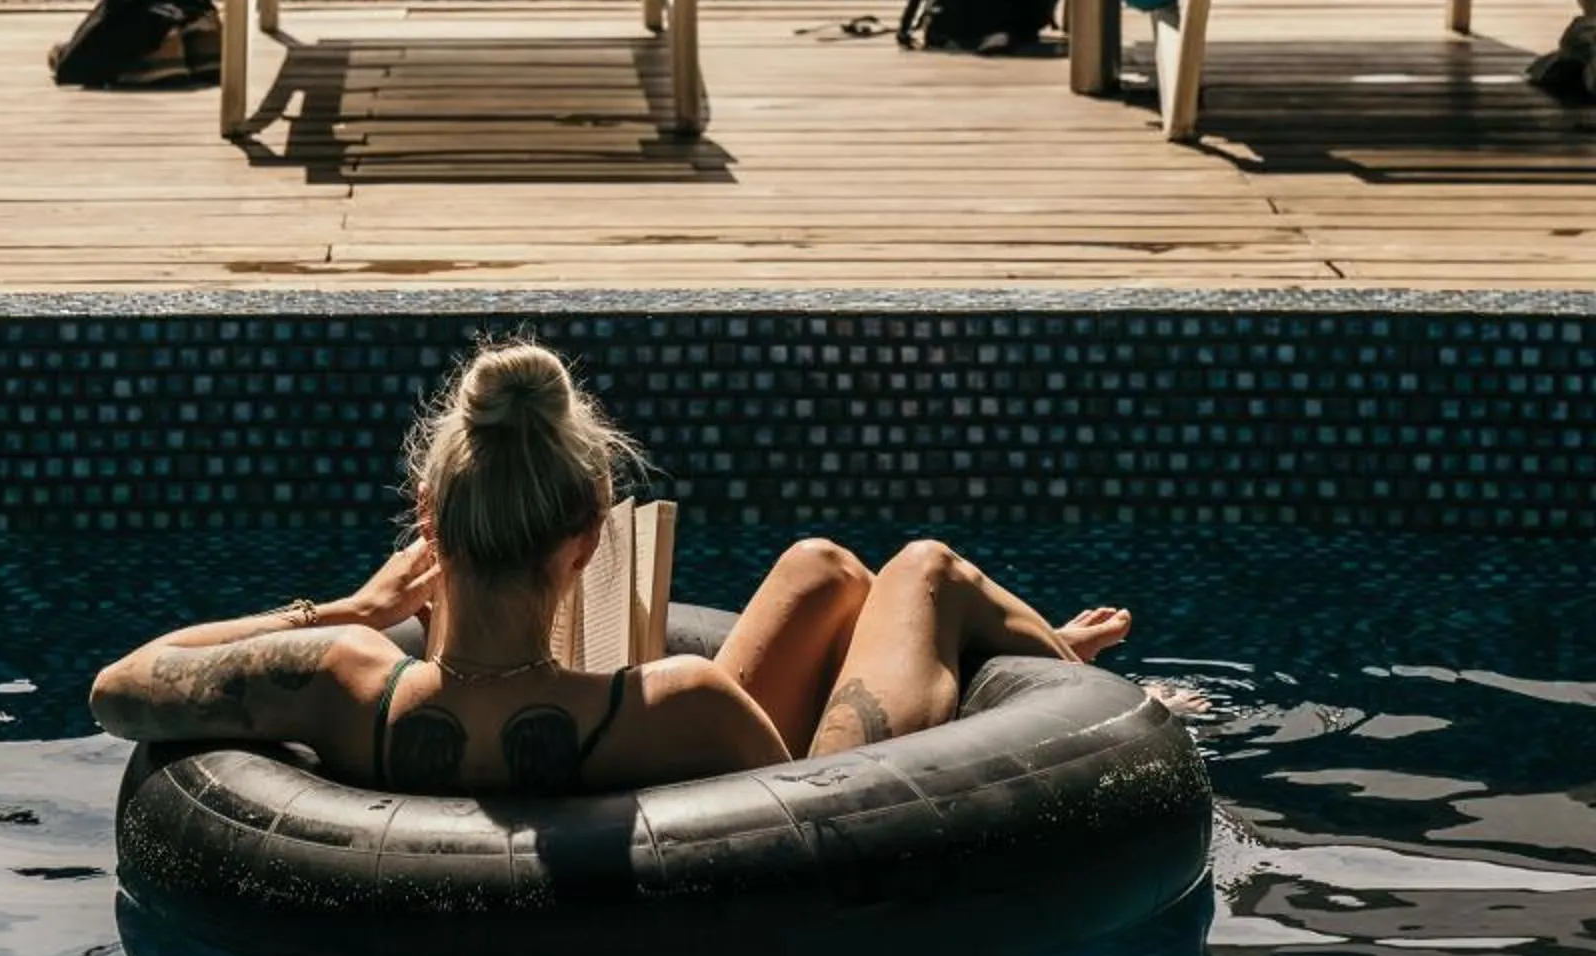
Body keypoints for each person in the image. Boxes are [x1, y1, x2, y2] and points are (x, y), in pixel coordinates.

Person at [90, 339, 1130, 795]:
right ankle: (1068, 682)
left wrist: (349, 608)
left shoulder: (337, 681)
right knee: (922, 571)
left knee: (819, 569)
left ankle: (1047, 666)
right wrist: (999, 710)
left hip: (438, 731)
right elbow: (816, 811)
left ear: (429, 524)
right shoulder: (680, 699)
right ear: (588, 532)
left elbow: (122, 685)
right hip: (794, 785)